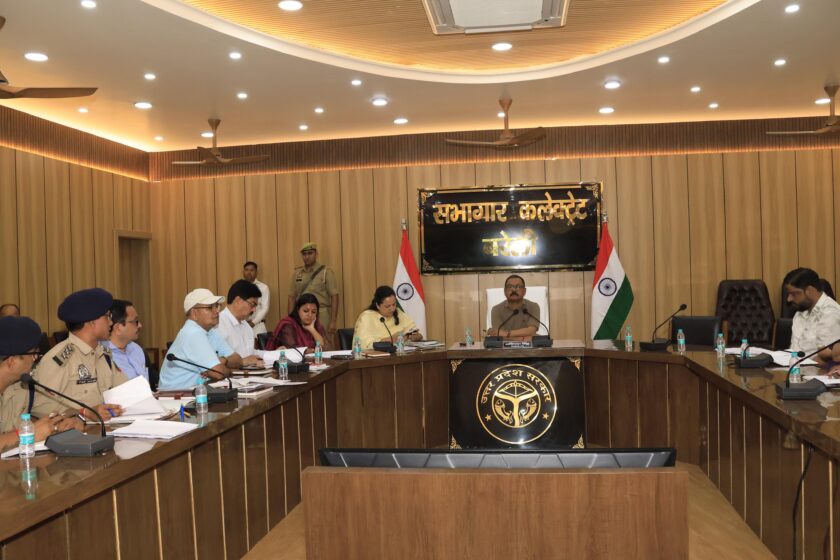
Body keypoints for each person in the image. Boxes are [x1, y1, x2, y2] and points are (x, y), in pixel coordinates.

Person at [30, 288, 128, 421]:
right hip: (76, 431)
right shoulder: (61, 358)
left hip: (108, 427)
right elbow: (40, 407)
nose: (111, 322)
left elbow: (125, 390)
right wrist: (82, 413)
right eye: (107, 316)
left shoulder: (103, 354)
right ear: (92, 322)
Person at [0, 316, 80, 451]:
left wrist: (61, 424)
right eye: (33, 354)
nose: (35, 360)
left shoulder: (21, 386)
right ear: (12, 362)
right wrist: (28, 434)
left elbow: (42, 415)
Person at [158, 288, 242, 390]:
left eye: (216, 306)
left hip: (196, 391)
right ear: (194, 313)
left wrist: (224, 361)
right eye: (210, 307)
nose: (217, 311)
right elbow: (218, 373)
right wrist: (228, 369)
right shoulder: (192, 333)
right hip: (175, 395)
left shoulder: (211, 331)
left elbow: (238, 360)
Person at [783, 268, 840, 364]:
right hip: (794, 368)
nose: (789, 299)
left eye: (794, 294)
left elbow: (827, 360)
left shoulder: (830, 314)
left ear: (810, 291)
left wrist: (795, 365)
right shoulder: (800, 312)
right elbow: (794, 350)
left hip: (816, 371)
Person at [288, 242, 339, 336]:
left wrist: (333, 321)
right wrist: (291, 320)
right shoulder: (297, 273)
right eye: (304, 254)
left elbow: (334, 296)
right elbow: (292, 297)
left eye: (310, 253)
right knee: (303, 341)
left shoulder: (326, 272)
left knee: (324, 341)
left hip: (321, 314)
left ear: (316, 254)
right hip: (302, 315)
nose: (307, 257)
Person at [354, 286, 423, 350]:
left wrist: (414, 336)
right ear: (377, 305)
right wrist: (392, 339)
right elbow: (364, 345)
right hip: (377, 357)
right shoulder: (367, 317)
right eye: (387, 306)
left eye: (394, 304)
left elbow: (418, 334)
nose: (392, 309)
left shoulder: (399, 313)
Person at [217, 280, 264, 365]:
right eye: (252, 304)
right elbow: (215, 362)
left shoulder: (246, 326)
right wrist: (243, 362)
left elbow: (252, 354)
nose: (254, 310)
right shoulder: (218, 324)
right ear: (238, 300)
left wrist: (278, 354)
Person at [103, 299, 148, 381]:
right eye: (135, 322)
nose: (140, 325)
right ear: (118, 328)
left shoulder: (136, 349)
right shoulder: (103, 355)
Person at [243, 261, 270, 335]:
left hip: (258, 326)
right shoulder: (239, 287)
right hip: (242, 326)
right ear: (243, 272)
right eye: (246, 270)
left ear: (256, 272)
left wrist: (253, 323)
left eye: (252, 270)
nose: (249, 272)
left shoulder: (263, 287)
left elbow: (265, 308)